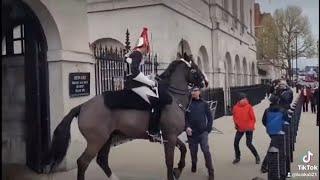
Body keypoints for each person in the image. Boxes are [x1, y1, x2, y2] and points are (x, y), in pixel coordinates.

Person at [124, 27, 160, 140]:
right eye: (147, 48)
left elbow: (134, 72)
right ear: (143, 46)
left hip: (131, 83)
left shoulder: (132, 54)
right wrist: (150, 82)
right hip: (134, 85)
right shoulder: (137, 54)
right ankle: (153, 131)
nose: (147, 51)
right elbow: (135, 73)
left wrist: (148, 77)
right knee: (156, 102)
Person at [185, 86, 214, 180]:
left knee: (206, 151)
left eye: (195, 90)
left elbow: (210, 117)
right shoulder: (188, 104)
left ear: (199, 92)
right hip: (192, 134)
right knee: (193, 152)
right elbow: (185, 118)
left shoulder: (204, 103)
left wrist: (207, 129)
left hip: (203, 133)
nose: (193, 92)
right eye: (191, 91)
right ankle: (194, 163)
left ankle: (211, 171)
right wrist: (187, 127)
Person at [260, 94, 288, 173]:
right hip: (279, 131)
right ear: (278, 101)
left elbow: (263, 121)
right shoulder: (282, 110)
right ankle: (264, 165)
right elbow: (287, 119)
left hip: (270, 131)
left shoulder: (267, 110)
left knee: (275, 145)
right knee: (273, 147)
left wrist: (269, 126)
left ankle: (276, 161)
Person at [232, 93, 260, 164]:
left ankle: (257, 156)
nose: (244, 100)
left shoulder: (249, 106)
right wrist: (236, 125)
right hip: (240, 128)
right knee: (236, 143)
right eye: (243, 99)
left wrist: (250, 125)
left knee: (248, 143)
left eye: (245, 98)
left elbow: (253, 118)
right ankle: (237, 157)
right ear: (239, 100)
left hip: (248, 128)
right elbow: (234, 117)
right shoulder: (235, 107)